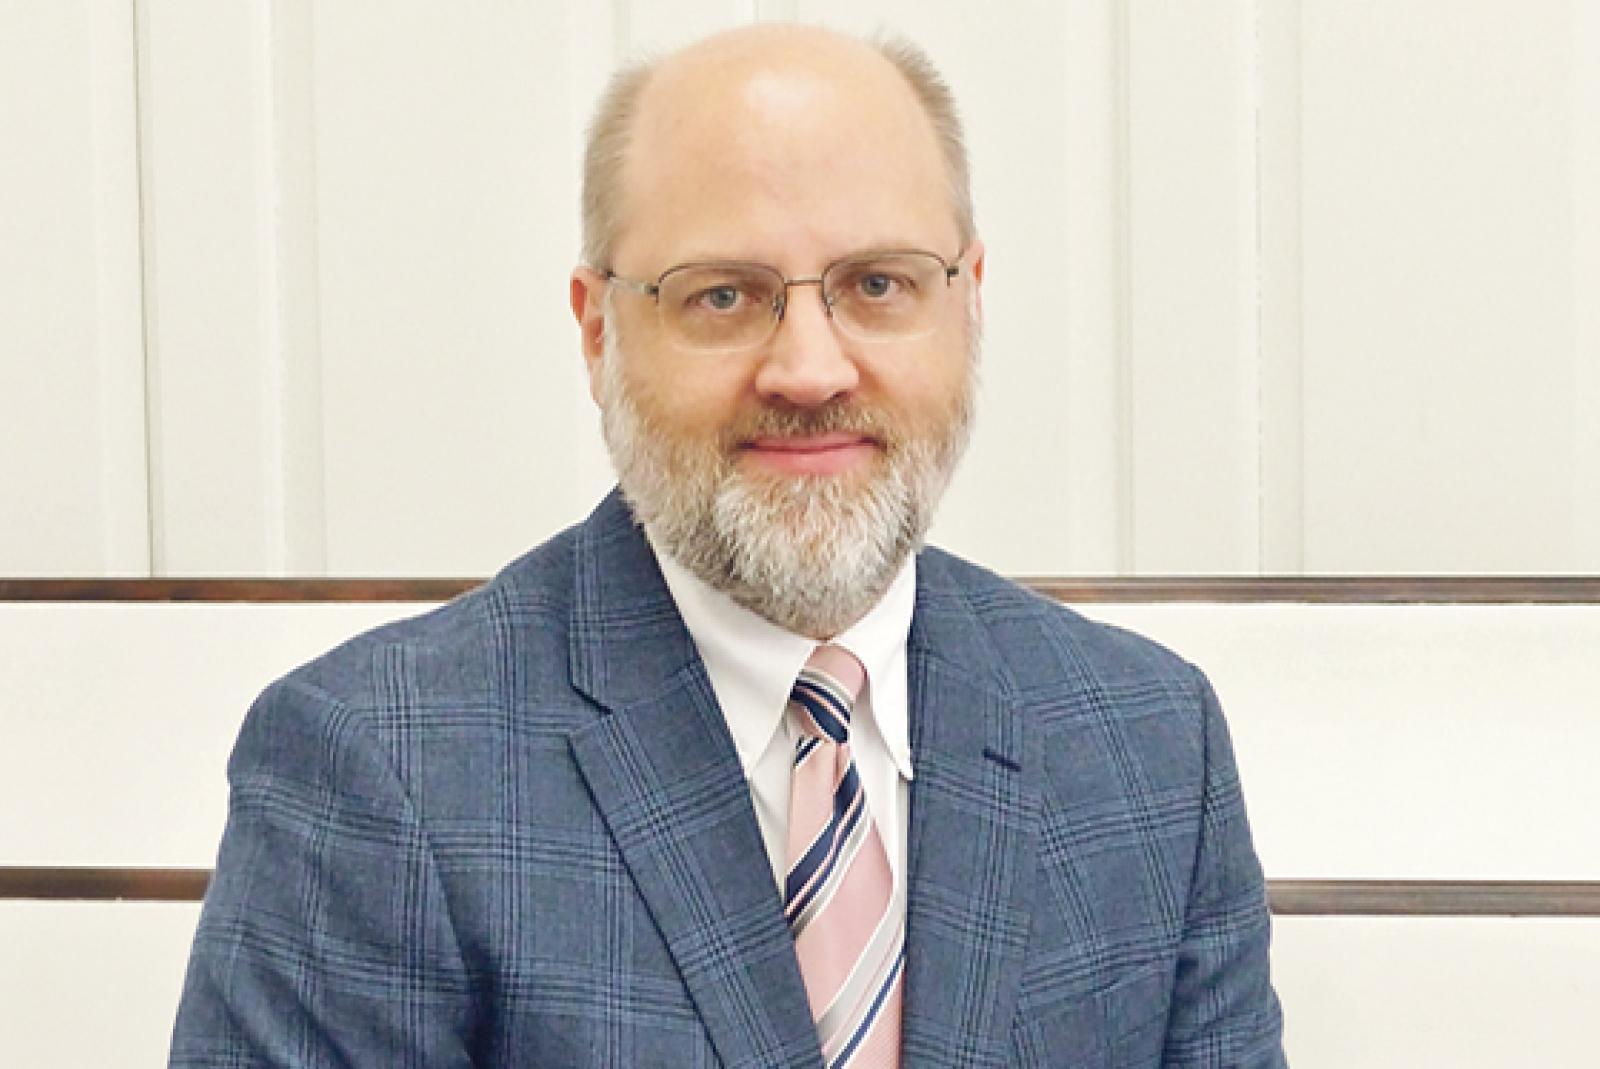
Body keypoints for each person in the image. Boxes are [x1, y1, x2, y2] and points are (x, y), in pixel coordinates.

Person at [169, 23, 1285, 1068]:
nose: (809, 369)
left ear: (970, 302)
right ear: (597, 329)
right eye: (722, 296)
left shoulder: (1151, 742)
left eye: (878, 284)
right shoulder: (375, 767)